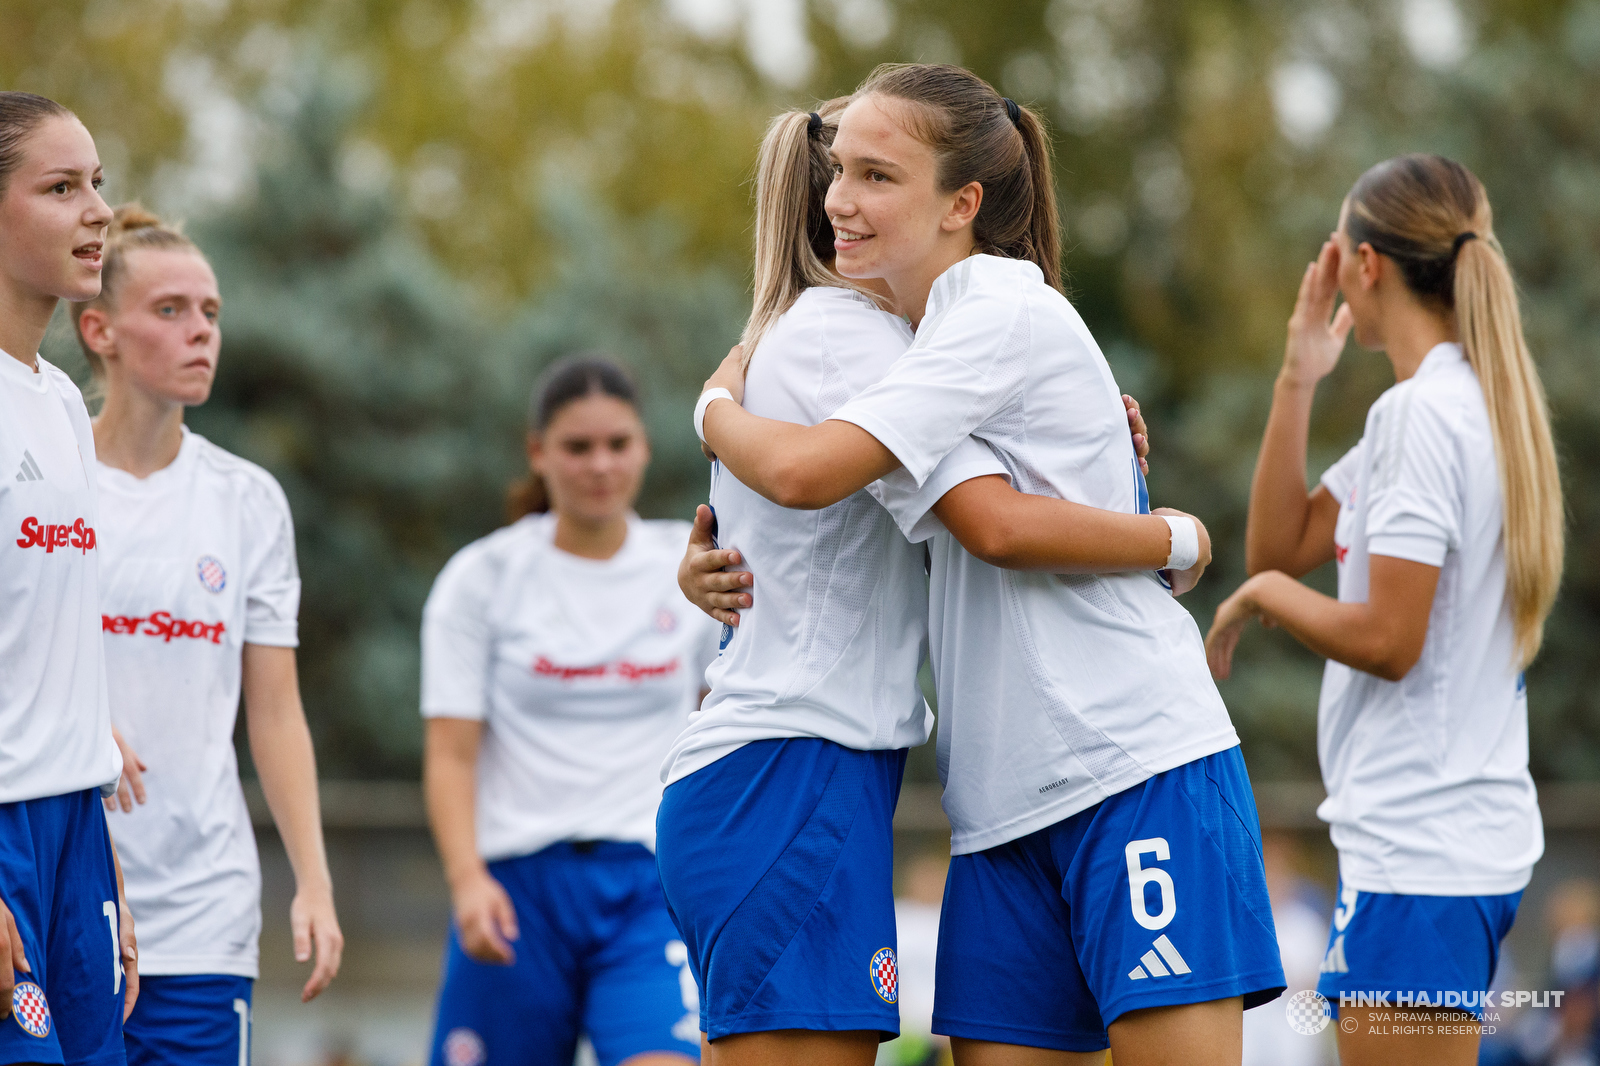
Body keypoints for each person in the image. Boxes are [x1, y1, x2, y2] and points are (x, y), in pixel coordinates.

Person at [688, 64, 1284, 1066]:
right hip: (996, 811)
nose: (838, 197)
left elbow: (988, 525)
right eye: (839, 171)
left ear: (963, 203)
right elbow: (824, 526)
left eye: (878, 176)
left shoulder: (996, 310)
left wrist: (712, 401)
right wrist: (699, 564)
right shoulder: (915, 343)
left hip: (1128, 764)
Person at [1204, 154, 1563, 1066]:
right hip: (1437, 848)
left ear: (1365, 266)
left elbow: (1389, 640)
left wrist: (1264, 601)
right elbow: (1280, 542)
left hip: (1423, 851)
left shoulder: (1425, 416)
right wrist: (1297, 375)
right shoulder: (1447, 407)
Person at [74, 203, 344, 1064]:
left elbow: (274, 714)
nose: (201, 332)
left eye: (212, 313)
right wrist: (82, 728)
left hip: (203, 914)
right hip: (64, 895)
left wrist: (314, 880)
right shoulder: (48, 478)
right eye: (170, 310)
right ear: (98, 330)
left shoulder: (248, 500)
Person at [421, 355, 716, 1066]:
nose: (600, 465)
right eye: (578, 447)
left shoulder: (689, 566)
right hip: (517, 893)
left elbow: (722, 744)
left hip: (652, 890)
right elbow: (451, 752)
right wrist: (467, 881)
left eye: (618, 444)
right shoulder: (481, 578)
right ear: (538, 453)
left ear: (644, 446)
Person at [0, 90, 136, 1061]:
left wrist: (109, 879)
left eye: (98, 183)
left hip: (76, 835)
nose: (97, 211)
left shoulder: (54, 406)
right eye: (61, 187)